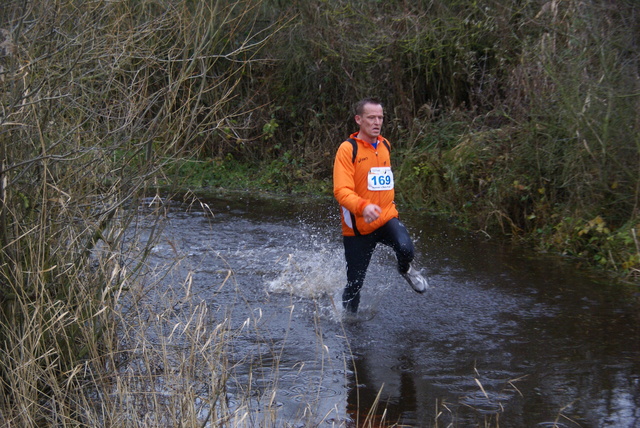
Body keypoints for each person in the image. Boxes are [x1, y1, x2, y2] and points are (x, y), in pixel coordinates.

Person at [333, 97, 429, 313]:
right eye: (371, 118)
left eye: (380, 117)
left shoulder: (385, 145)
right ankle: (349, 327)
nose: (377, 122)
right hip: (358, 227)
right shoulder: (348, 150)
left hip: (386, 218)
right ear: (359, 120)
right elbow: (341, 191)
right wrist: (363, 206)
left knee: (406, 249)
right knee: (355, 284)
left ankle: (405, 270)